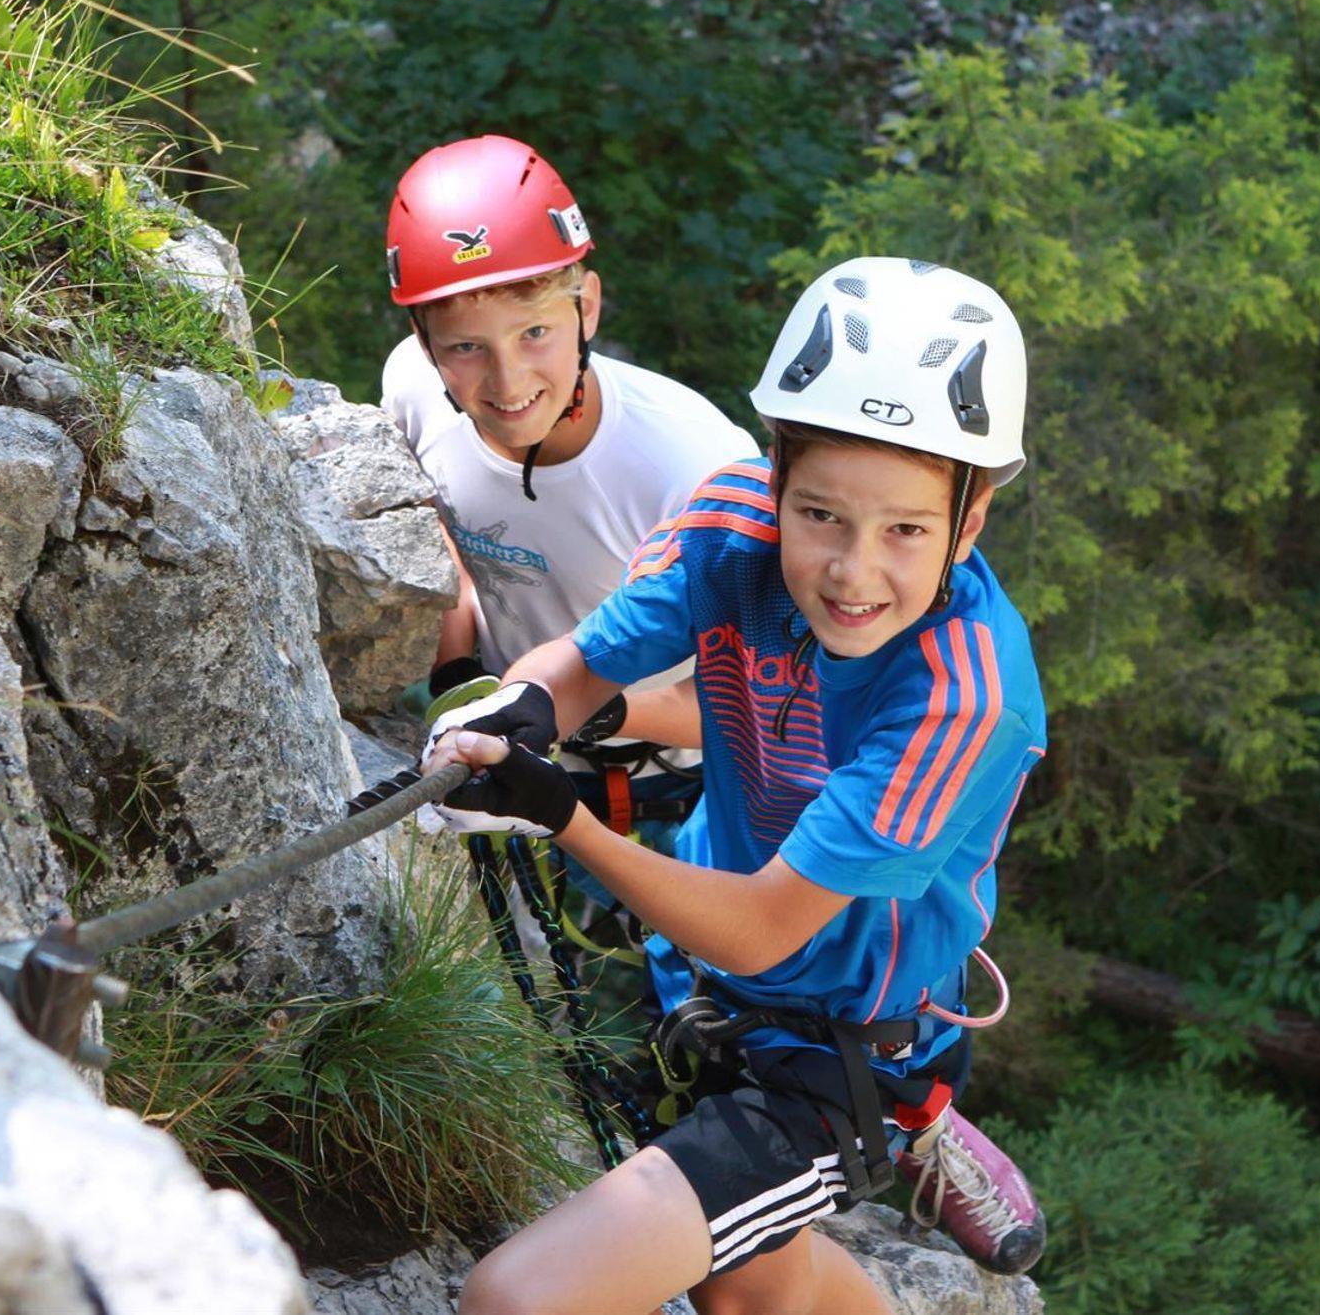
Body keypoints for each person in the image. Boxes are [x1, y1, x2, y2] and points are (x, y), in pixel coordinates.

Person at [422, 258, 1049, 1314]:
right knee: (748, 1289)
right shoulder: (730, 530)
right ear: (773, 475)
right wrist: (520, 705)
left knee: (516, 1299)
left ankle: (917, 1125)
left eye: (904, 529)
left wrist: (559, 812)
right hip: (702, 985)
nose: (851, 571)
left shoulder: (965, 696)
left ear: (969, 519)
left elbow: (762, 928)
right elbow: (586, 664)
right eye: (819, 515)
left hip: (840, 1051)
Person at [381, 134, 756, 831]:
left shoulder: (696, 467)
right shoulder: (413, 389)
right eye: (466, 346)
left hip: (661, 791)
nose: (507, 382)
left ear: (587, 308)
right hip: (491, 756)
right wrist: (457, 672)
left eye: (533, 333)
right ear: (424, 340)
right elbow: (433, 522)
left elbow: (761, 699)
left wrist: (584, 706)